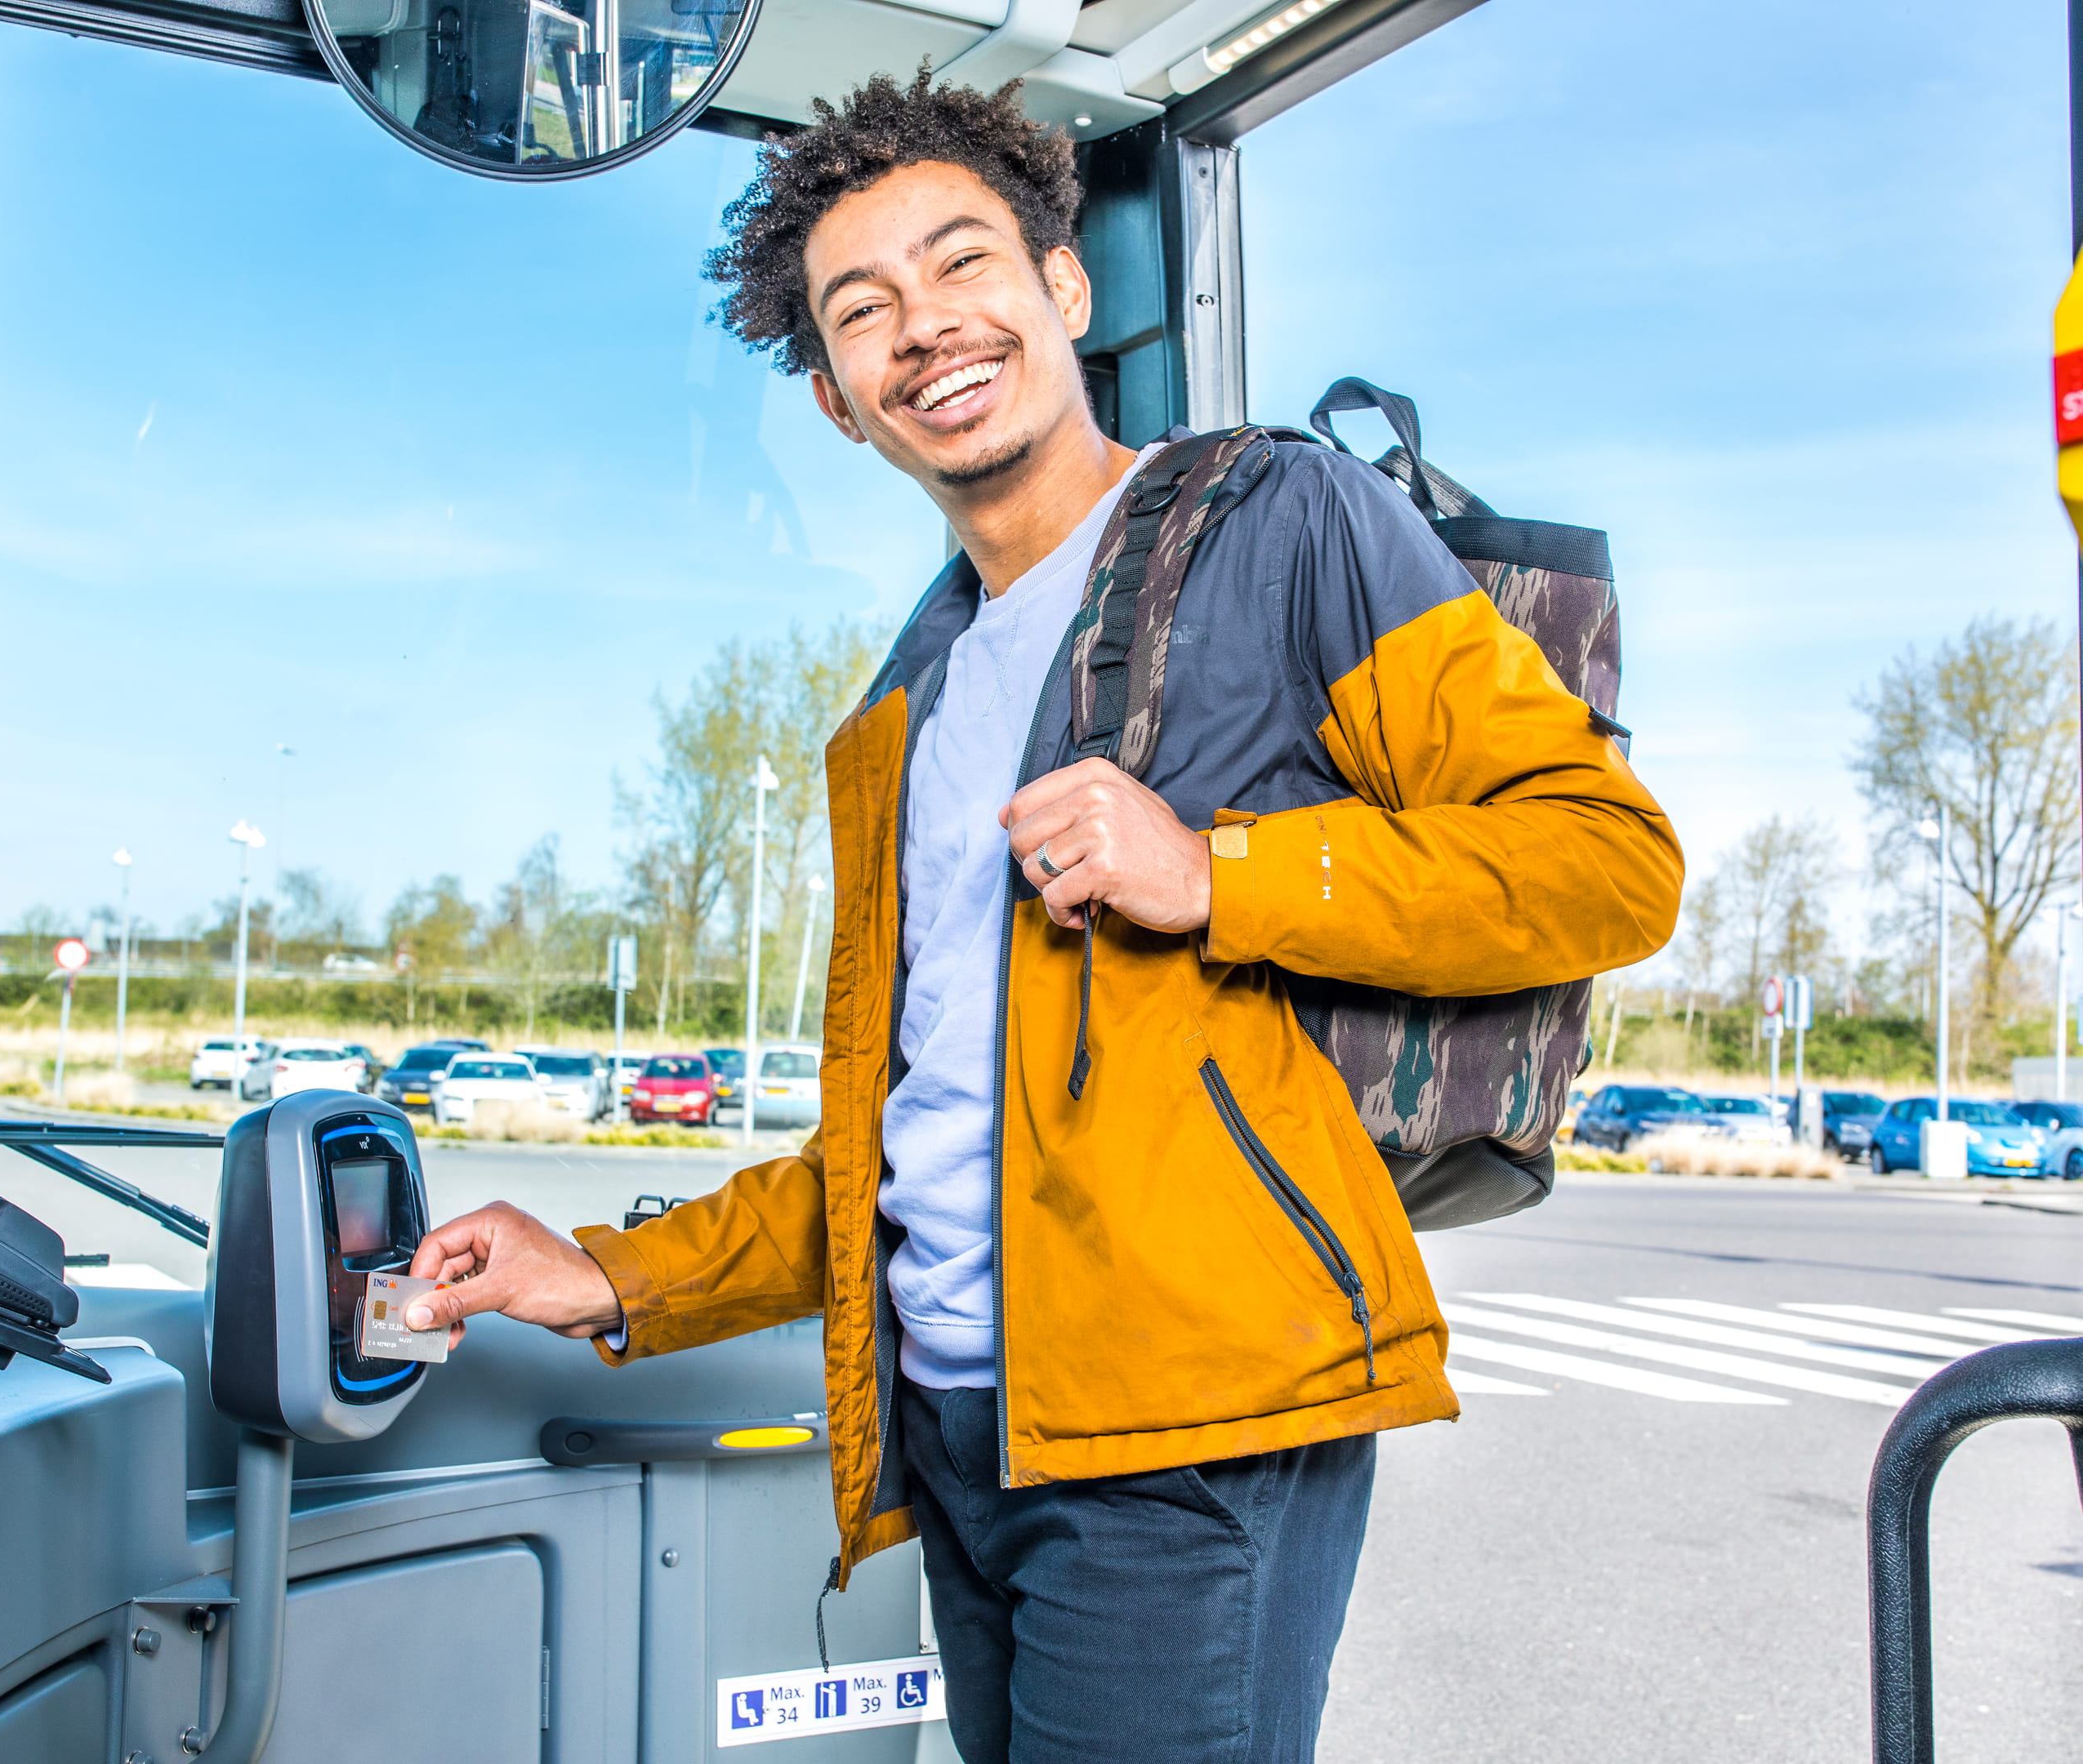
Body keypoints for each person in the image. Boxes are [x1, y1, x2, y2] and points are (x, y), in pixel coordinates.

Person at [404, 68, 1683, 1762]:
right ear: (842, 404)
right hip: (955, 1435)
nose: (922, 327)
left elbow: (1605, 861)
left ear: (1062, 291)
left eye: (960, 267)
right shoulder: (906, 702)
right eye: (862, 314)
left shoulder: (1277, 523)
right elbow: (905, 1149)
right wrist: (608, 1274)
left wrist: (1212, 872)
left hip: (1185, 1436)